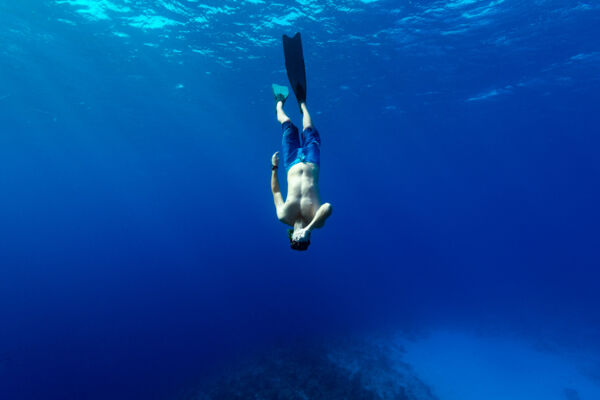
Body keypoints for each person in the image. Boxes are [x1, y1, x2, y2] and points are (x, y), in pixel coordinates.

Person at [270, 87, 332, 251]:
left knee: (287, 125)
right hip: (312, 162)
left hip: (291, 162)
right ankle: (302, 103)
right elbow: (328, 207)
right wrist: (308, 228)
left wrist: (274, 168)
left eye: (295, 238)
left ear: (291, 235)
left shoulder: (283, 216)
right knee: (309, 130)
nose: (298, 235)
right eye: (302, 238)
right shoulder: (316, 220)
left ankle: (279, 103)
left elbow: (276, 192)